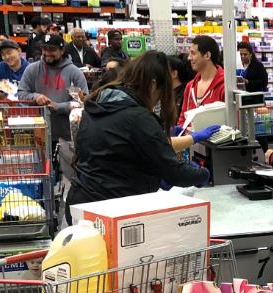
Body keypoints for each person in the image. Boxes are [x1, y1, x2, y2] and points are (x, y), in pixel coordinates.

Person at [68, 51, 210, 204]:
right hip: (111, 208)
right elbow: (175, 172)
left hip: (80, 200)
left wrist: (150, 173)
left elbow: (114, 157)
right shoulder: (137, 117)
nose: (158, 100)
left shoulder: (97, 104)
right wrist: (203, 174)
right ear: (153, 84)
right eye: (162, 92)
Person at [18, 34, 88, 142]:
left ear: (62, 50)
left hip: (66, 135)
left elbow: (82, 101)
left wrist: (57, 106)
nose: (47, 53)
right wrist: (36, 97)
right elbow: (21, 94)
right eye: (44, 49)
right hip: (37, 133)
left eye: (52, 50)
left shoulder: (74, 72)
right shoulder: (32, 69)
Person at [178, 35, 224, 128]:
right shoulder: (190, 86)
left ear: (207, 55)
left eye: (193, 53)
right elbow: (183, 118)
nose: (189, 58)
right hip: (190, 141)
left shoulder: (225, 85)